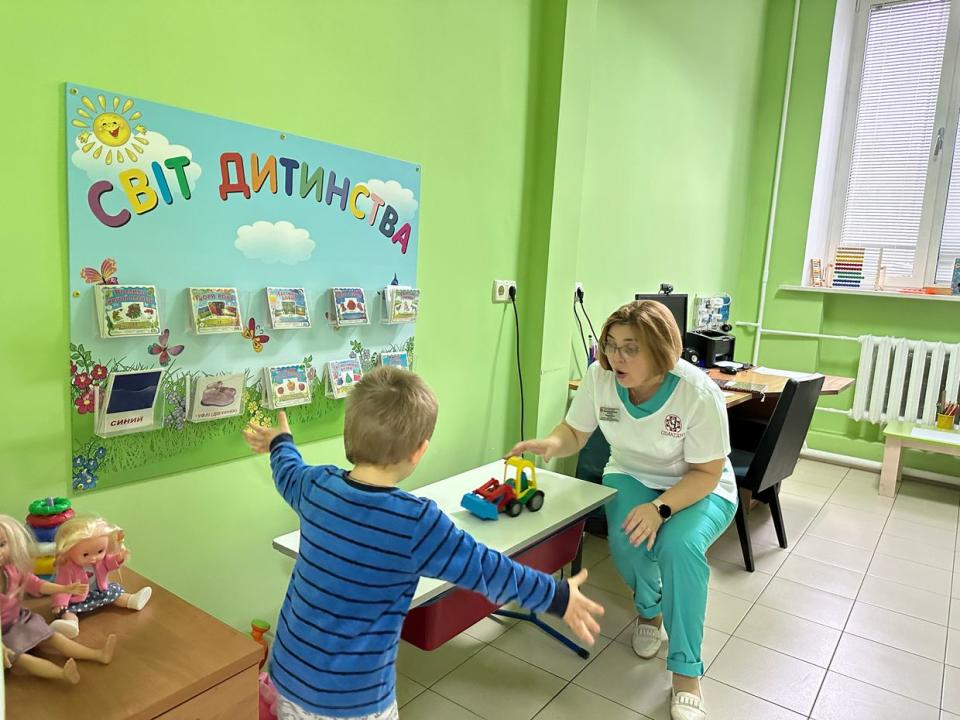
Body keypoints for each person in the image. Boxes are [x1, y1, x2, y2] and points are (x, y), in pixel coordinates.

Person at [244, 366, 605, 720]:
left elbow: (288, 470)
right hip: (355, 699)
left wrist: (280, 442)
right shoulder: (415, 522)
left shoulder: (317, 486)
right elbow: (488, 569)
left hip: (289, 676)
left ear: (348, 432)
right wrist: (555, 596)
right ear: (419, 451)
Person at [508, 300, 737, 720]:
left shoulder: (697, 392)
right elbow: (575, 431)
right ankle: (648, 613)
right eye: (611, 345)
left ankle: (687, 671)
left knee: (678, 549)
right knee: (626, 541)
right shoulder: (601, 378)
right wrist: (551, 444)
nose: (617, 357)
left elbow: (707, 472)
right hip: (631, 472)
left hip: (700, 484)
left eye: (631, 348)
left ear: (662, 349)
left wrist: (660, 508)